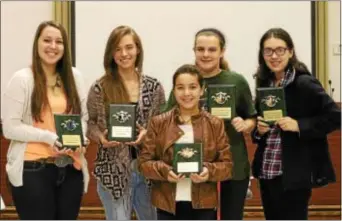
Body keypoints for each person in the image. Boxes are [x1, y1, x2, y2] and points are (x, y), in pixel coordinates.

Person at [162, 28, 257, 220]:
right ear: (194, 50)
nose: (206, 54)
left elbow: (252, 118)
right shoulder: (186, 79)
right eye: (201, 49)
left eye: (212, 50)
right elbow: (166, 120)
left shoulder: (236, 81)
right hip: (195, 169)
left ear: (221, 52)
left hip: (232, 168)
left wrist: (245, 124)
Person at [2, 20, 89, 220]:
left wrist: (80, 139)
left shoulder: (74, 77)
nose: (53, 46)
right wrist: (50, 138)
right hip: (33, 168)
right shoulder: (22, 79)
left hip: (70, 168)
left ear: (65, 47)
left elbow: (82, 118)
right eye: (47, 40)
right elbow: (10, 127)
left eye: (59, 42)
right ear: (37, 44)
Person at [251, 27, 341, 220]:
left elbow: (335, 117)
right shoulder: (264, 83)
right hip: (268, 170)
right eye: (268, 51)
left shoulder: (304, 83)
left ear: (290, 52)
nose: (274, 56)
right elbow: (261, 131)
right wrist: (259, 131)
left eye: (280, 50)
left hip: (294, 173)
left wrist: (299, 125)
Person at [86, 25, 165, 220]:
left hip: (147, 171)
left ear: (138, 49)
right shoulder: (100, 87)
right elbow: (90, 124)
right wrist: (101, 137)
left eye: (129, 47)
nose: (124, 53)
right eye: (117, 49)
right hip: (113, 172)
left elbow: (163, 126)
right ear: (111, 53)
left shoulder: (153, 87)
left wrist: (147, 135)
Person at [139, 64, 233, 220]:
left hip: (204, 204)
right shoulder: (158, 123)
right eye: (180, 87)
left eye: (193, 87)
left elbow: (227, 166)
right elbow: (143, 164)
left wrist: (208, 171)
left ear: (202, 90)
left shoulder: (215, 124)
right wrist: (165, 171)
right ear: (174, 91)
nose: (187, 93)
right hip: (167, 204)